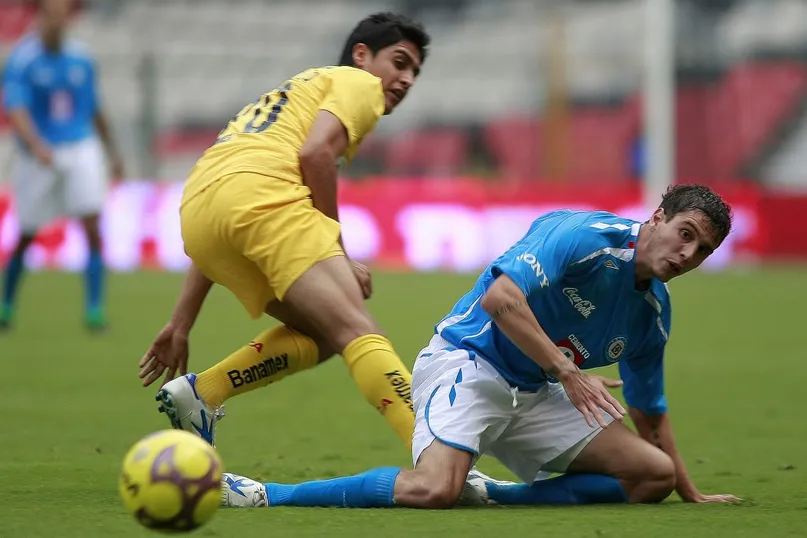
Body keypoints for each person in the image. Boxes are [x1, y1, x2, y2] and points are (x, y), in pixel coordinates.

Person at [218, 184, 743, 509]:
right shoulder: (585, 236)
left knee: (651, 476)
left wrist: (686, 487)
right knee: (433, 492)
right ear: (656, 217)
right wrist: (567, 370)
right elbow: (500, 298)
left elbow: (649, 409)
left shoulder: (653, 312)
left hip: (537, 391)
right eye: (685, 232)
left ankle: (496, 493)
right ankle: (265, 494)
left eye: (703, 249)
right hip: (468, 364)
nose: (688, 253)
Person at [138, 13, 430, 453]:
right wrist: (340, 254)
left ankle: (203, 393)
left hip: (200, 206)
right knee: (357, 328)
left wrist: (181, 323)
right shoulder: (358, 84)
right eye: (400, 61)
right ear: (362, 55)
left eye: (414, 72)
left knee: (325, 332)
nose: (406, 79)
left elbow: (230, 207)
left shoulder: (298, 93)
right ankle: (435, 454)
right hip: (260, 195)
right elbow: (316, 156)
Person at [0, 0, 123, 331]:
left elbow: (95, 107)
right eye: (50, 15)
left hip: (81, 146)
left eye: (62, 16)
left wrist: (112, 152)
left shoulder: (80, 58)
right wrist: (37, 145)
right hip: (40, 154)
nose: (57, 22)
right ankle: (6, 305)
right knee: (26, 233)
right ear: (39, 17)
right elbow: (16, 109)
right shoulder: (23, 61)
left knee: (93, 227)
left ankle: (95, 310)